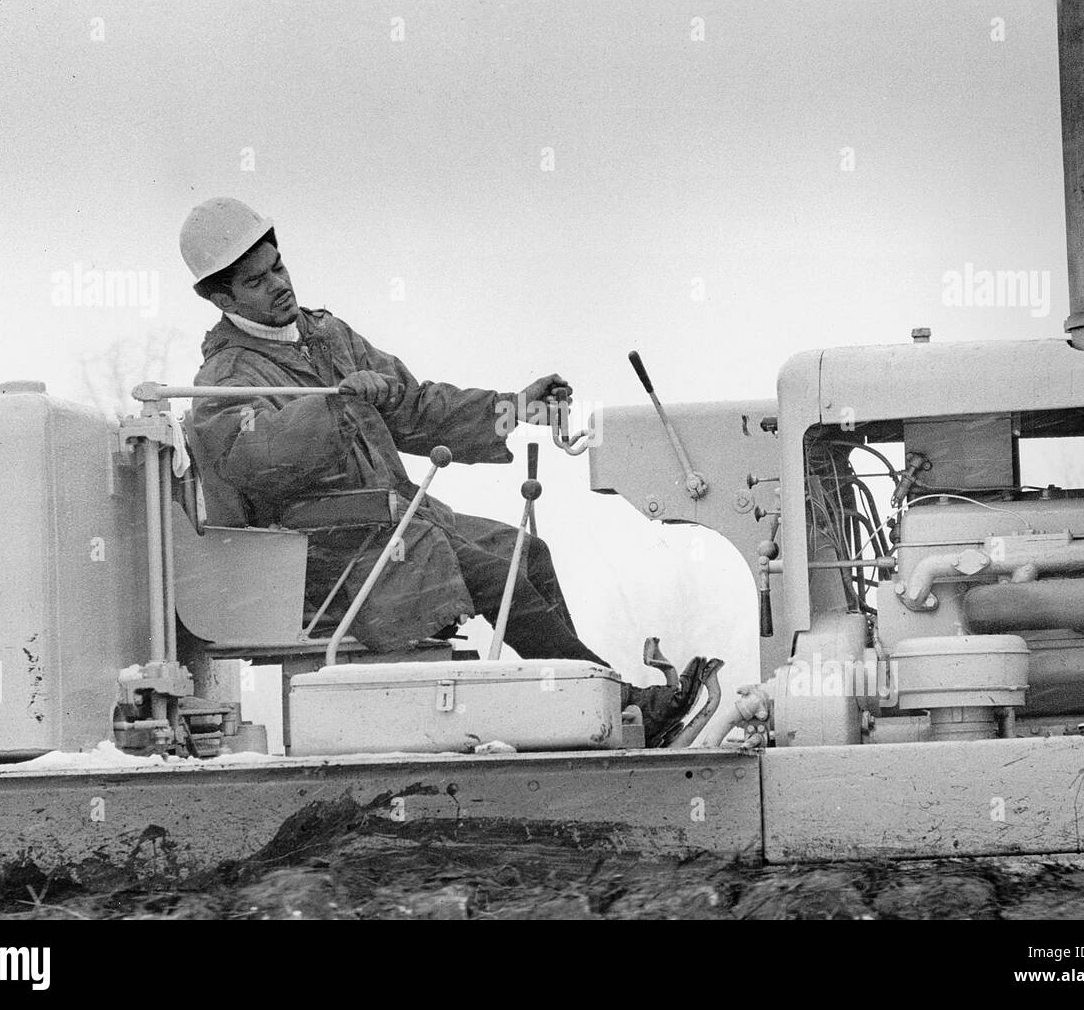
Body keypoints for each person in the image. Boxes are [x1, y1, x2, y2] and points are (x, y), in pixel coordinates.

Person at [180, 197, 709, 745]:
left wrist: (514, 408)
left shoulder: (327, 336)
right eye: (256, 282)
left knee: (525, 552)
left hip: (393, 529)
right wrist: (332, 406)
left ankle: (582, 709)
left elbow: (417, 407)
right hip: (321, 557)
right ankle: (622, 704)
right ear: (220, 297)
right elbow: (255, 461)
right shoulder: (225, 379)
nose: (279, 284)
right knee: (493, 574)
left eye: (278, 267)